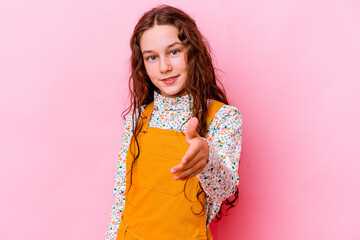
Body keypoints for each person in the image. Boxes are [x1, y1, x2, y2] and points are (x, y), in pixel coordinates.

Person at [106, 4, 242, 240]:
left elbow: (225, 189)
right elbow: (121, 198)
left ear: (193, 51)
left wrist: (207, 159)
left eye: (174, 52)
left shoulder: (223, 118)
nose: (164, 67)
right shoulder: (137, 119)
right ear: (143, 65)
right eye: (152, 57)